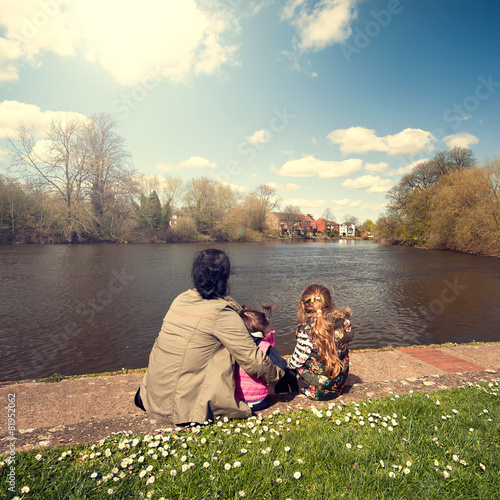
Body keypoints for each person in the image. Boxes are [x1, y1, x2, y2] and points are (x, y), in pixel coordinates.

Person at [135, 248, 284, 424]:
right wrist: (281, 375)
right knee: (230, 348)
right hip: (181, 408)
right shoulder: (222, 313)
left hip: (152, 397)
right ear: (227, 276)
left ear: (196, 275)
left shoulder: (180, 299)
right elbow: (253, 361)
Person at [286, 284, 353, 401]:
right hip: (338, 385)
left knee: (288, 369)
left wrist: (285, 363)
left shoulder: (306, 330)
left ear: (302, 305)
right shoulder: (344, 322)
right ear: (330, 303)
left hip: (314, 391)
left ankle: (288, 395)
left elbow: (296, 362)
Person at [235, 306, 286, 411]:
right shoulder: (265, 347)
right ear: (263, 329)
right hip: (260, 402)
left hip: (238, 400)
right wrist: (270, 346)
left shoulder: (235, 347)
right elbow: (282, 366)